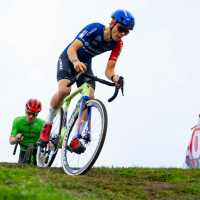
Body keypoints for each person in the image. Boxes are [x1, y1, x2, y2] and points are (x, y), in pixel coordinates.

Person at [38, 9, 135, 153]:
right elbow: (72, 48)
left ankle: (76, 137)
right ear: (112, 23)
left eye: (126, 32)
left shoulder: (118, 44)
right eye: (121, 29)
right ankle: (48, 125)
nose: (122, 34)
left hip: (85, 65)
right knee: (65, 90)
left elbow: (109, 70)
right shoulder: (95, 28)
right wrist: (76, 61)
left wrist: (115, 78)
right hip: (69, 58)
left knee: (90, 97)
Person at [10, 99, 44, 163]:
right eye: (29, 113)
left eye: (34, 114)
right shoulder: (18, 121)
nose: (31, 116)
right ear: (25, 110)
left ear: (37, 114)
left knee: (41, 159)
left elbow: (49, 138)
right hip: (23, 151)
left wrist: (49, 144)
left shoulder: (42, 123)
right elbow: (11, 140)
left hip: (37, 151)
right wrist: (16, 139)